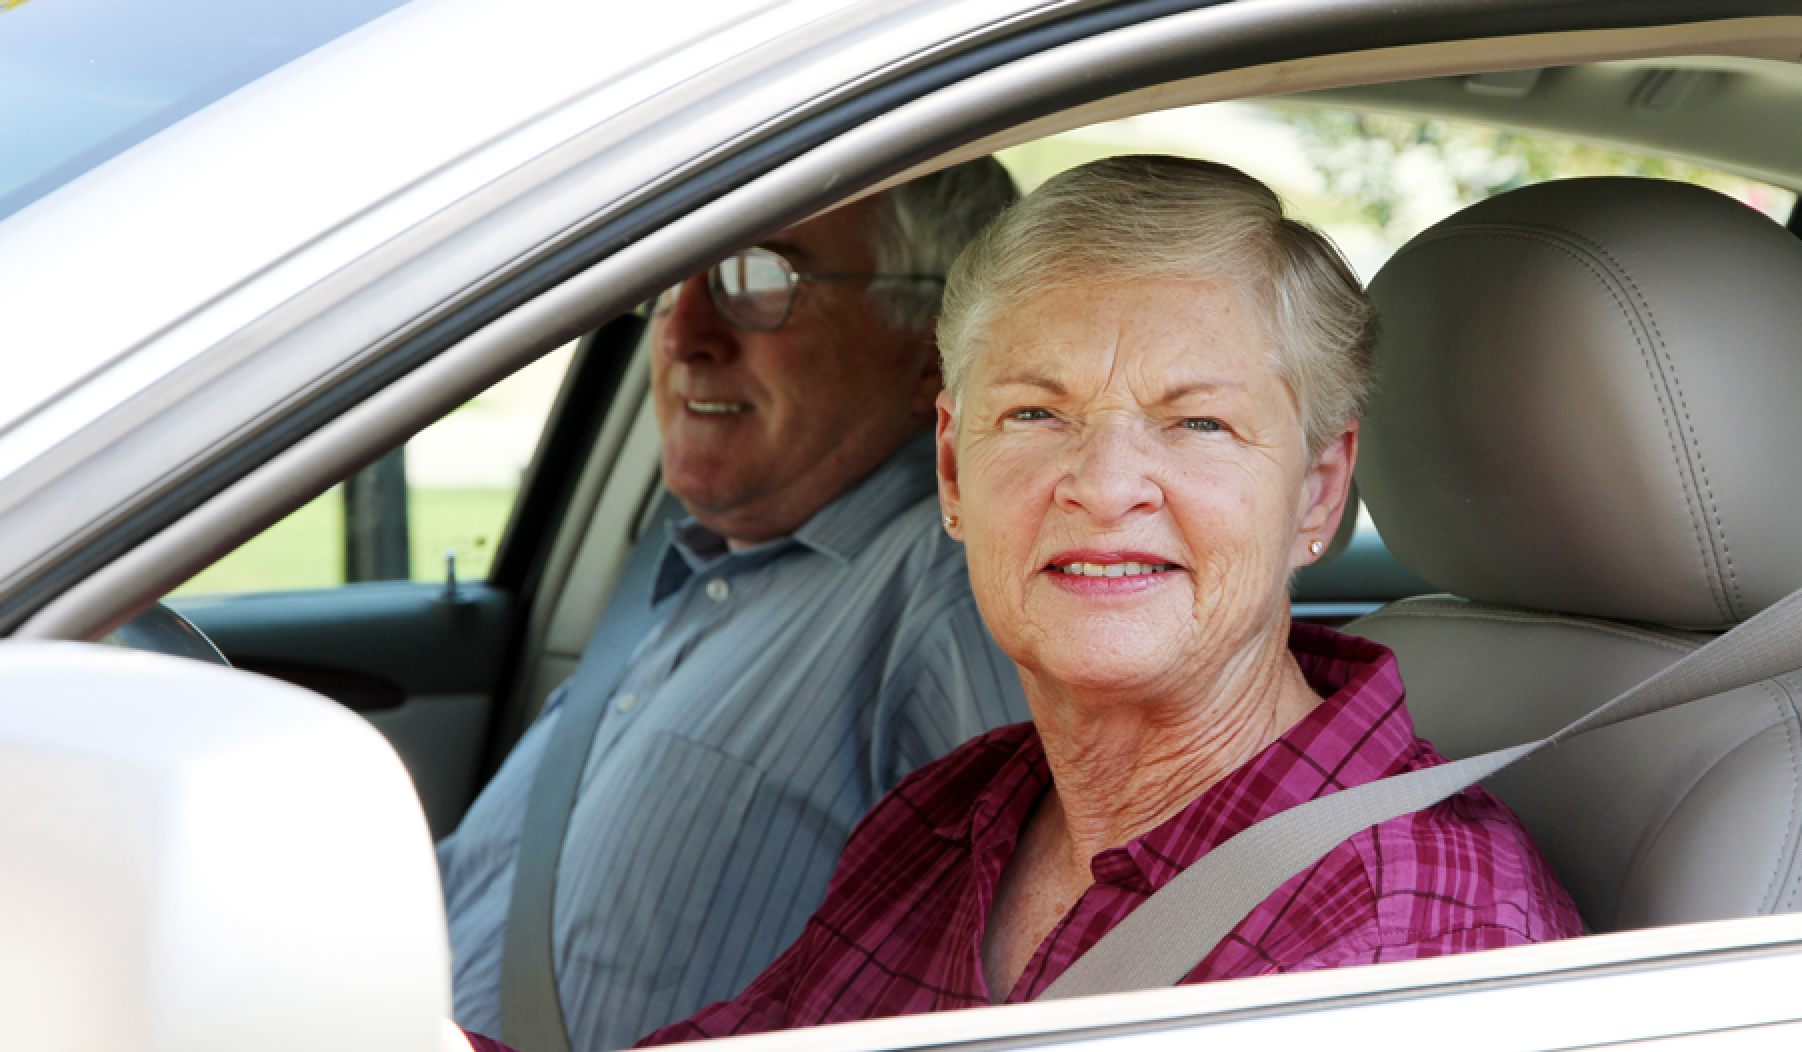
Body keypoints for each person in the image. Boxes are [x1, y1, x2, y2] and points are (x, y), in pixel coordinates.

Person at [460, 154, 1581, 1052]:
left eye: (1195, 422)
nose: (1100, 484)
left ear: (1317, 491)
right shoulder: (955, 814)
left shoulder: (1409, 936)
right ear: (953, 473)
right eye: (1036, 415)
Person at [438, 158, 1029, 1052]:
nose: (684, 335)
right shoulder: (698, 569)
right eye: (670, 282)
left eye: (760, 277)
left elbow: (1031, 1003)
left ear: (934, 351)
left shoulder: (949, 590)